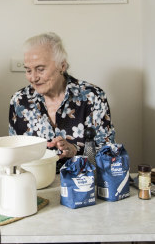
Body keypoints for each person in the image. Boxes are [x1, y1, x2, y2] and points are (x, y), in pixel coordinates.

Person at [8, 32, 116, 173]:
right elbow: (13, 154)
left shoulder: (92, 96)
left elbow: (108, 153)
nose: (33, 78)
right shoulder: (19, 101)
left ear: (62, 66)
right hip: (35, 183)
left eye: (40, 69)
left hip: (82, 185)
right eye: (28, 70)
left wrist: (75, 151)